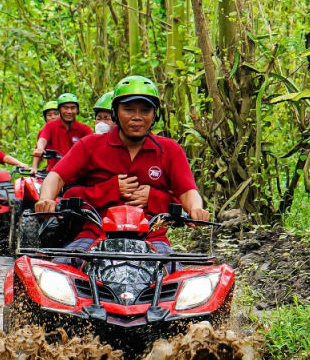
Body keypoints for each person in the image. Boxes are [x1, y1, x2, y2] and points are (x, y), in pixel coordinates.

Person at [35, 75, 208, 260]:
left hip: (152, 240)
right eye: (128, 109)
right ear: (115, 112)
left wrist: (196, 208)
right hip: (93, 237)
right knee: (59, 275)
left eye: (145, 110)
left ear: (155, 114)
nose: (137, 117)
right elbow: (56, 176)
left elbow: (188, 191)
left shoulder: (170, 150)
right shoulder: (90, 145)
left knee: (174, 282)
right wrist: (45, 199)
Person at [30, 92, 92, 174]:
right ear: (60, 110)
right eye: (65, 108)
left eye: (73, 108)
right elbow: (42, 140)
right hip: (54, 172)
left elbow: (92, 148)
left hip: (77, 174)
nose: (69, 111)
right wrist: (40, 149)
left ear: (77, 110)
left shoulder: (84, 129)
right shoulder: (50, 126)